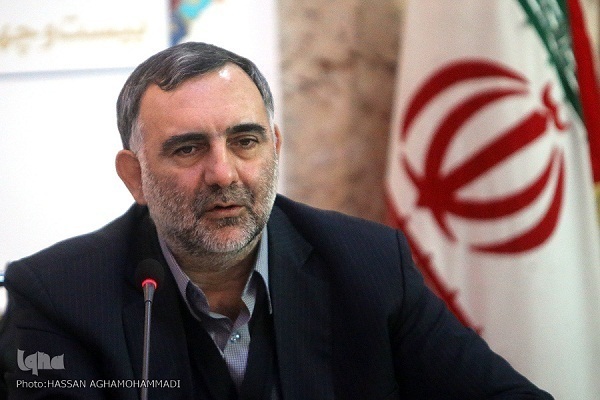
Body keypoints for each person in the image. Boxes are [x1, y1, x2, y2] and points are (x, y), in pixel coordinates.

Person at [2, 42, 553, 399]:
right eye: (188, 149)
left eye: (246, 141)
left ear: (276, 148)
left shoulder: (368, 265)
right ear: (135, 176)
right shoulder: (57, 296)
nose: (223, 173)